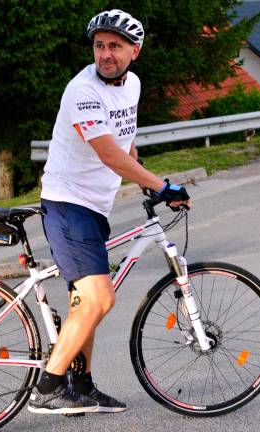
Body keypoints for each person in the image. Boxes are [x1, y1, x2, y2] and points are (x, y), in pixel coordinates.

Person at [28, 9, 192, 415]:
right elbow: (107, 154)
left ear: (135, 51)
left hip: (93, 208)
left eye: (115, 46)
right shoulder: (82, 91)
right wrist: (162, 186)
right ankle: (47, 388)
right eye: (99, 46)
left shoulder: (131, 85)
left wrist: (145, 181)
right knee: (99, 299)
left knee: (83, 303)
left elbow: (125, 141)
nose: (105, 54)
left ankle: (81, 387)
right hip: (68, 205)